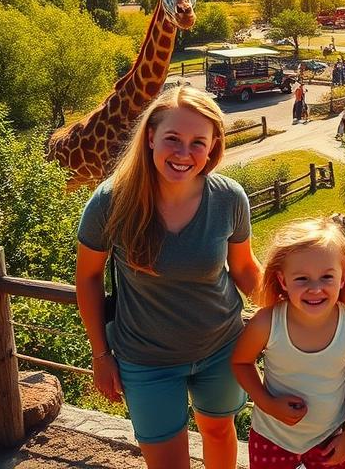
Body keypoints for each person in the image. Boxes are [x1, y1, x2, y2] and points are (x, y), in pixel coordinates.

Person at [76, 85, 262, 469]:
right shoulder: (111, 201)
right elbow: (89, 278)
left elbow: (244, 269)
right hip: (146, 360)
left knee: (218, 431)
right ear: (149, 137)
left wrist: (303, 312)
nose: (183, 153)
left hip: (222, 349)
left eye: (198, 142)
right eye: (172, 139)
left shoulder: (229, 198)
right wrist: (100, 354)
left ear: (213, 147)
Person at [232, 218, 345, 469]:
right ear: (283, 280)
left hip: (330, 439)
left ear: (342, 278)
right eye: (302, 279)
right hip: (271, 437)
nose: (315, 288)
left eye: (327, 277)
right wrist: (266, 403)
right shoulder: (267, 322)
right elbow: (241, 362)